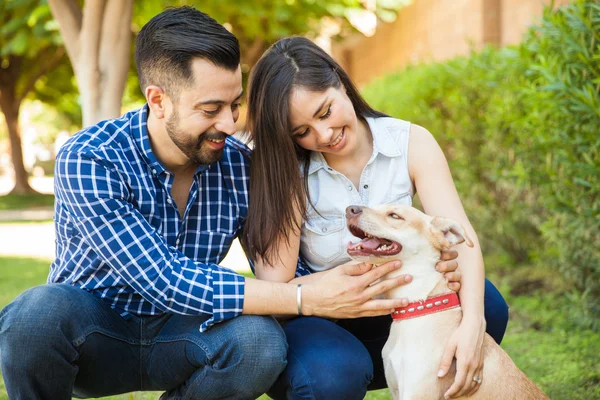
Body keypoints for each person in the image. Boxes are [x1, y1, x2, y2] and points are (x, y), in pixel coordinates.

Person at [0, 8, 463, 400]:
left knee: (259, 342)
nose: (229, 122)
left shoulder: (240, 166)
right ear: (158, 101)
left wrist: (387, 275)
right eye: (210, 109)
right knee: (35, 315)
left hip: (182, 335)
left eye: (235, 104)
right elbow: (163, 279)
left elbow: (279, 268)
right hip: (94, 335)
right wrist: (305, 298)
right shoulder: (90, 156)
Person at [243, 36, 509, 400]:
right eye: (301, 132)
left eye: (325, 112)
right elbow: (275, 288)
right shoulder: (289, 171)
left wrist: (472, 325)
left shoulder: (410, 142)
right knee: (331, 374)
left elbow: (464, 240)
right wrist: (330, 289)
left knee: (488, 306)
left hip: (404, 311)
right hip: (326, 323)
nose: (324, 135)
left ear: (339, 80)